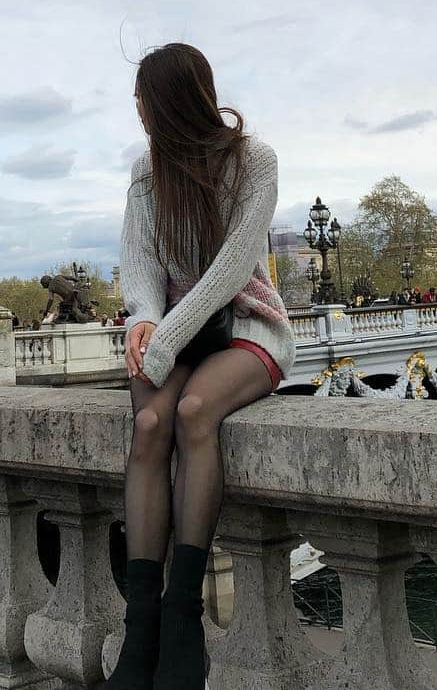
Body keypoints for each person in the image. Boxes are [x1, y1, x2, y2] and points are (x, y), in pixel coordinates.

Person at [108, 43, 295, 690]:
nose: (136, 111)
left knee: (191, 412)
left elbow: (230, 273)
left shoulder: (254, 162)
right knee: (151, 425)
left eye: (141, 99)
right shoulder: (144, 169)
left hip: (247, 324)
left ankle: (182, 612)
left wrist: (163, 342)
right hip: (170, 331)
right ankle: (143, 630)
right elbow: (138, 264)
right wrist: (141, 320)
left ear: (167, 100)